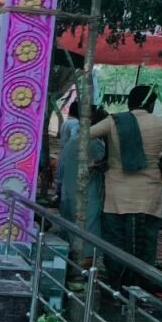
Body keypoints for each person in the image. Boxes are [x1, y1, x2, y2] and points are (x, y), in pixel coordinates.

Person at [90, 85, 162, 289]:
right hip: (148, 196)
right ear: (151, 104)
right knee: (145, 243)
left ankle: (117, 285)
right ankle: (141, 286)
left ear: (130, 102)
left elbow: (84, 134)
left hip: (116, 197)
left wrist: (100, 160)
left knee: (115, 242)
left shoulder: (114, 121)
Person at [59, 106, 108, 264]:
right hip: (87, 196)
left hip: (70, 193)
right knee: (88, 240)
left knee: (73, 235)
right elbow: (104, 164)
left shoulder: (74, 140)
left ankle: (74, 269)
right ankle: (82, 272)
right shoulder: (93, 144)